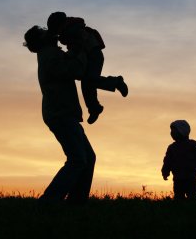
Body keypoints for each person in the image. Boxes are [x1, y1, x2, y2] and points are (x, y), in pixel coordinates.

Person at [24, 25, 96, 204]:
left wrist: (76, 49)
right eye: (44, 32)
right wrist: (79, 47)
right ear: (41, 40)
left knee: (87, 157)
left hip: (63, 113)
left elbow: (72, 65)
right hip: (60, 113)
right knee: (78, 159)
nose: (49, 33)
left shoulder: (51, 54)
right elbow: (75, 70)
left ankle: (76, 202)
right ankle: (49, 202)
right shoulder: (49, 55)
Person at [47, 12, 128, 124]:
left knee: (90, 80)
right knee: (87, 84)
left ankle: (116, 82)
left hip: (93, 56)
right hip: (90, 56)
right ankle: (94, 108)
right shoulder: (71, 29)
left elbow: (77, 48)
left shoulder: (71, 31)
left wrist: (69, 57)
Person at [161, 120, 196, 200]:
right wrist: (165, 171)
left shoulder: (193, 145)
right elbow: (167, 161)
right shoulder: (172, 148)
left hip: (191, 177)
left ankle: (192, 210)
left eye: (173, 130)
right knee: (179, 196)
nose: (171, 133)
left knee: (192, 196)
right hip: (178, 177)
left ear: (181, 131)